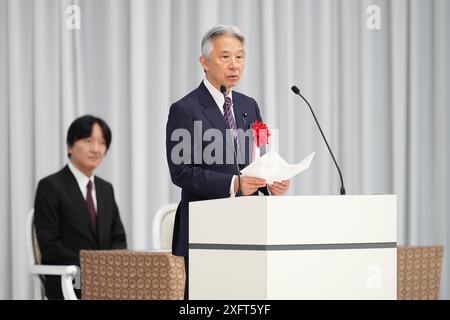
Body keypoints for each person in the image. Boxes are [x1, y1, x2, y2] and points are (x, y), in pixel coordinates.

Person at [166, 25, 290, 299]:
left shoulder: (249, 105)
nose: (235, 65)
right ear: (204, 62)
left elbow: (257, 160)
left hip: (248, 227)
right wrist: (234, 184)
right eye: (225, 57)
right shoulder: (184, 109)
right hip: (204, 227)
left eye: (240, 57)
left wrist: (270, 184)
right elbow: (181, 172)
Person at [34, 115, 127, 299]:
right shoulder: (50, 186)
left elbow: (119, 239)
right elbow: (50, 246)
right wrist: (92, 269)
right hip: (69, 280)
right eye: (88, 140)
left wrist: (109, 270)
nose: (96, 148)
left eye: (102, 142)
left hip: (107, 281)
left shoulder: (105, 189)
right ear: (70, 146)